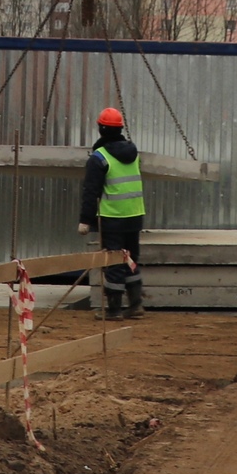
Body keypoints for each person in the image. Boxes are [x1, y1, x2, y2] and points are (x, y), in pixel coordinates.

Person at [76, 106, 147, 319]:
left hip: (114, 217)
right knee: (131, 258)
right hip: (135, 215)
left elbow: (91, 192)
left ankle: (114, 310)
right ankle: (136, 305)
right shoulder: (133, 153)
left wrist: (85, 220)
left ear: (100, 129)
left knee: (114, 261)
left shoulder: (99, 158)